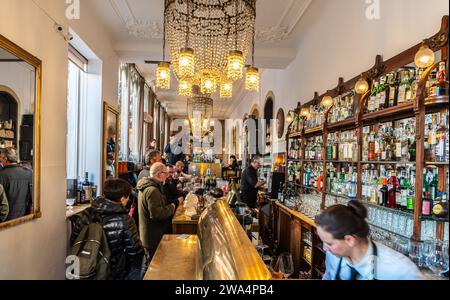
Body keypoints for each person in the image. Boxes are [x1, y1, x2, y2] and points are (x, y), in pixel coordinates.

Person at [315, 201, 424, 280]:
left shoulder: (399, 269)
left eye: (329, 243)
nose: (325, 248)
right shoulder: (334, 256)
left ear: (350, 240)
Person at [70, 179, 144, 280]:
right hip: (113, 271)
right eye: (128, 197)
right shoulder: (125, 220)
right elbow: (135, 251)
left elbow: (74, 241)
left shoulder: (86, 213)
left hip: (86, 268)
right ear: (122, 198)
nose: (128, 200)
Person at [137, 162, 179, 262]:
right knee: (152, 264)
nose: (167, 175)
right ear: (160, 174)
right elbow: (158, 214)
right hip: (153, 235)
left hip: (150, 233)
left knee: (149, 261)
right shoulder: (152, 190)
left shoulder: (150, 186)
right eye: (166, 173)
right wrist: (172, 206)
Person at [0, 148, 33, 221]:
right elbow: (32, 198)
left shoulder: (1, 175)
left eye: (1, 158)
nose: (1, 161)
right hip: (24, 218)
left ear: (5, 158)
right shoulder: (29, 173)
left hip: (5, 221)